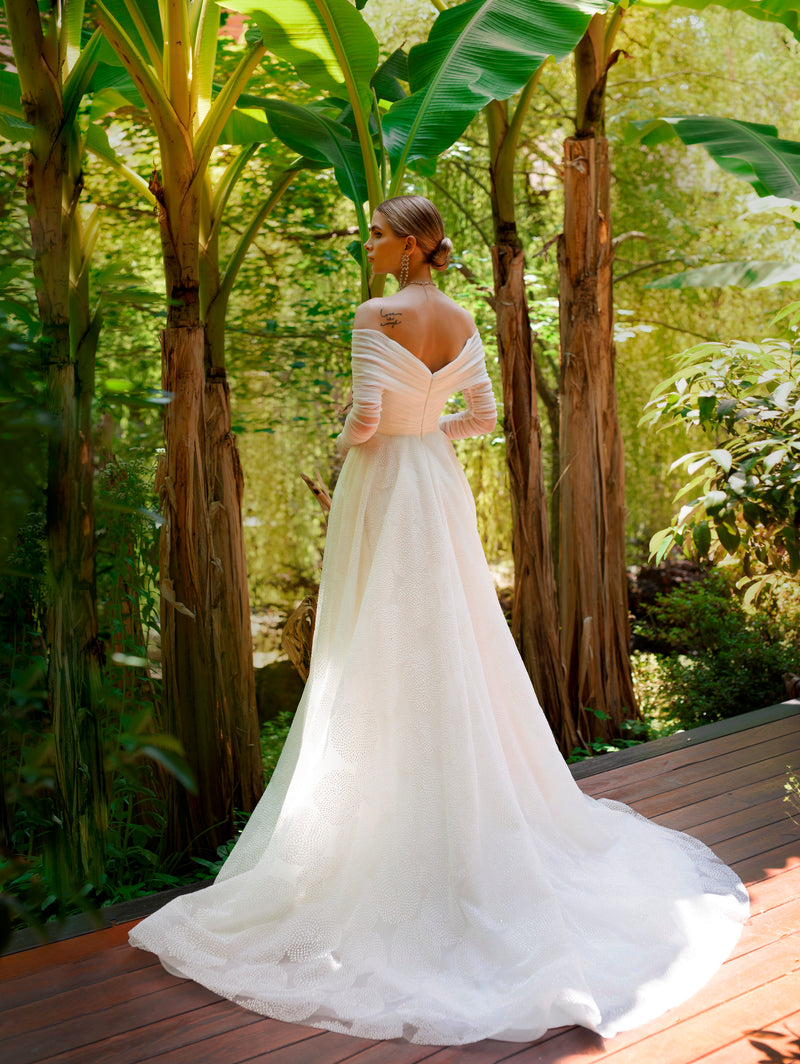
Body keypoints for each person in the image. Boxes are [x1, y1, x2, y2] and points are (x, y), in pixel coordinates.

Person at [129, 195, 748, 1046]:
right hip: (437, 488)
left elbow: (368, 417)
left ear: (414, 245)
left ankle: (390, 826)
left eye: (380, 234)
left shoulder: (374, 313)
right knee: (454, 645)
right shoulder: (458, 317)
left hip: (384, 487)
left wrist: (353, 443)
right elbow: (485, 419)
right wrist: (433, 429)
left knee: (373, 651)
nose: (368, 244)